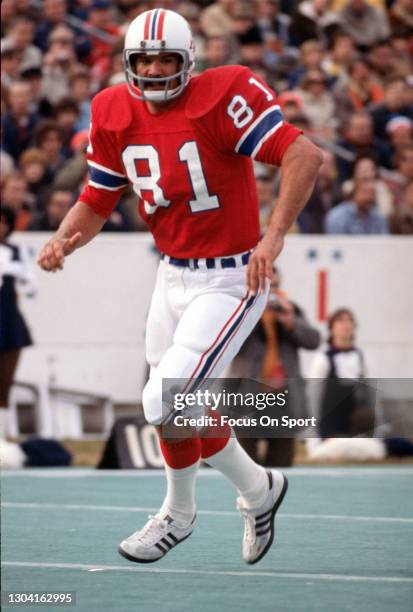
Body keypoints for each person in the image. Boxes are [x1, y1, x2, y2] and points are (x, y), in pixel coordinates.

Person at [37, 9, 322, 565]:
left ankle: (180, 512)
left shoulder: (224, 95)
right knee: (178, 408)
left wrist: (274, 235)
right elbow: (98, 197)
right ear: (128, 63)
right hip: (170, 274)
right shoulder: (112, 109)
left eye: (167, 58)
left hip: (231, 275)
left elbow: (303, 153)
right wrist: (65, 237)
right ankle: (260, 490)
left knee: (163, 397)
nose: (156, 69)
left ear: (188, 61)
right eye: (145, 59)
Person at [229, 267, 321, 466]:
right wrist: (253, 316)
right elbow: (229, 346)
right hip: (246, 398)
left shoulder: (291, 310)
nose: (271, 291)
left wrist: (290, 322)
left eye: (275, 285)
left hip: (282, 398)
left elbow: (314, 341)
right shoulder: (240, 310)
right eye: (265, 286)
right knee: (245, 465)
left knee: (282, 464)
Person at [308, 308, 375, 439]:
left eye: (349, 321)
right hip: (330, 424)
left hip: (357, 421)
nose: (346, 325)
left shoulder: (362, 358)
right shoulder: (323, 358)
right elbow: (314, 396)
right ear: (331, 328)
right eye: (341, 321)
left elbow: (372, 393)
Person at [0, 206, 36, 439]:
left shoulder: (17, 252)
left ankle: (3, 438)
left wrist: (13, 270)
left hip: (8, 322)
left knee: (4, 384)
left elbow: (31, 287)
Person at [325, 178, 389, 234]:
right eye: (365, 192)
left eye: (372, 193)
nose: (369, 197)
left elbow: (384, 241)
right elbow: (335, 242)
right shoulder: (337, 216)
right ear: (354, 193)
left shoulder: (379, 218)